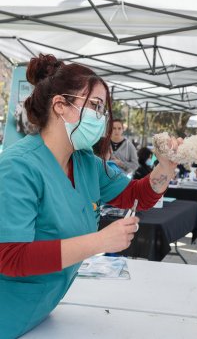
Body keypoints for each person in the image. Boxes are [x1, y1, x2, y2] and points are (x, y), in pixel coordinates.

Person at [0, 53, 182, 338]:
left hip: (42, 311)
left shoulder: (85, 162)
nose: (102, 118)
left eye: (103, 110)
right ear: (60, 105)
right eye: (95, 106)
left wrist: (167, 166)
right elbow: (9, 257)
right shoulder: (18, 167)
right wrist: (99, 241)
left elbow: (136, 195)